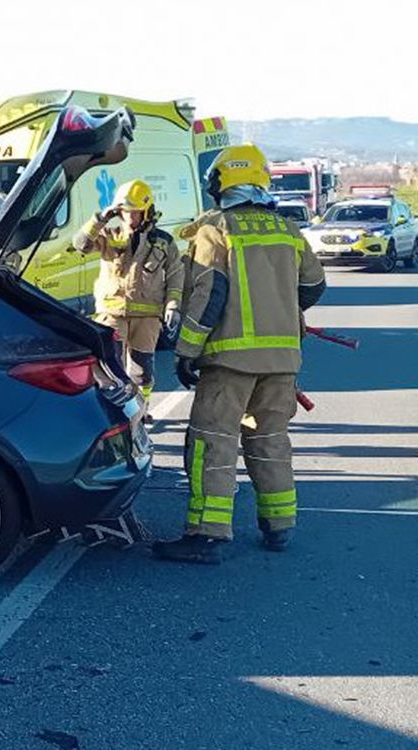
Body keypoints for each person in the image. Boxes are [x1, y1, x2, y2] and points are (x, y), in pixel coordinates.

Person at [152, 144, 326, 565]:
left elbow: (209, 296)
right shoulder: (288, 231)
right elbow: (315, 285)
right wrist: (283, 309)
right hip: (282, 362)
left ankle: (207, 534)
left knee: (212, 445)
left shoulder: (216, 230)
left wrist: (186, 352)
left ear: (221, 185)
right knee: (270, 440)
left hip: (230, 363)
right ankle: (279, 525)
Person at [71, 179, 183, 413]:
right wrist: (99, 219)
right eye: (125, 212)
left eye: (136, 213)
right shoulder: (109, 234)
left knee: (142, 372)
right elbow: (80, 244)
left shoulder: (163, 242)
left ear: (147, 211)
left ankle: (141, 412)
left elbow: (175, 274)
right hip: (111, 313)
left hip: (148, 317)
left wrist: (172, 305)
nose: (130, 218)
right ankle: (113, 411)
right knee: (111, 367)